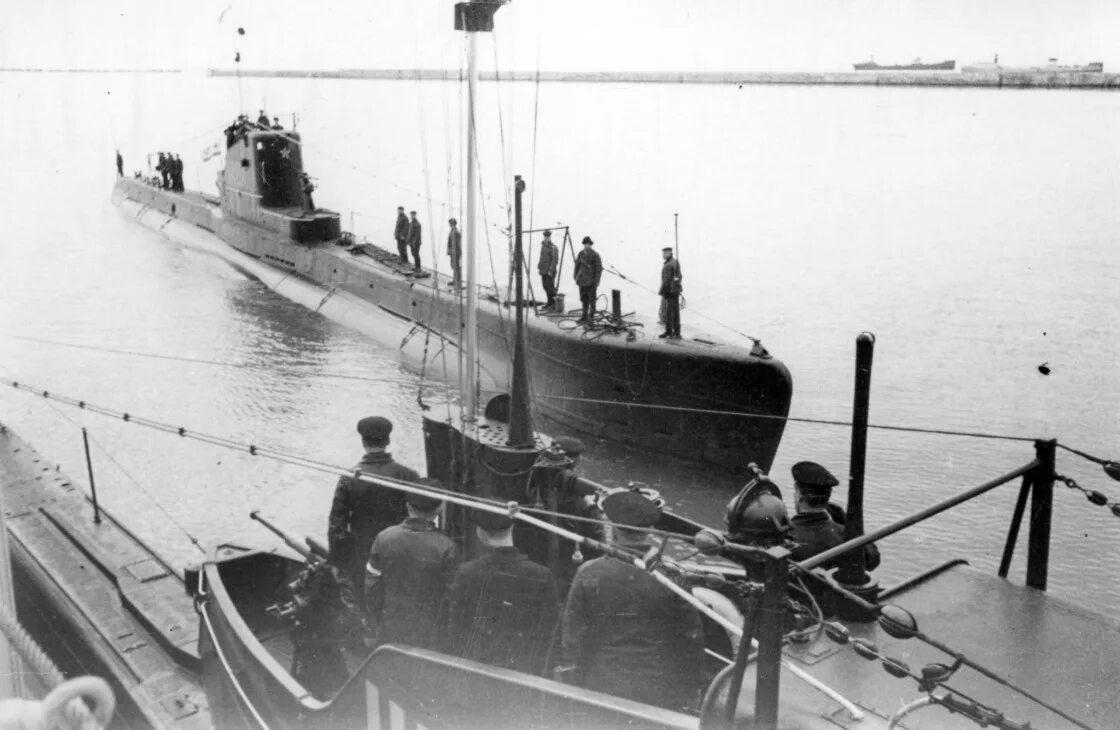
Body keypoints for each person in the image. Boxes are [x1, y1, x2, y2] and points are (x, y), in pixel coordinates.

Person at [558, 491, 707, 712]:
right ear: (650, 530)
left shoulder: (588, 573)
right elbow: (691, 639)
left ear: (614, 528)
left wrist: (574, 683)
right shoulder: (671, 576)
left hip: (601, 685)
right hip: (659, 690)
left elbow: (572, 639)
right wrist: (692, 690)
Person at [446, 509, 560, 675]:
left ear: (480, 533)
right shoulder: (542, 575)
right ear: (512, 527)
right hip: (526, 673)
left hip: (477, 671)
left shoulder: (467, 573)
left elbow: (456, 630)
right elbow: (550, 634)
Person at [327, 416, 419, 608]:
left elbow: (337, 524)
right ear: (388, 441)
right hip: (401, 550)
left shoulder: (349, 477)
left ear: (363, 442)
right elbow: (420, 512)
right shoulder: (409, 475)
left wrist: (338, 561)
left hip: (363, 553)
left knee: (365, 600)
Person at [368, 488, 458, 649]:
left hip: (391, 625)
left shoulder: (384, 537)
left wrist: (373, 625)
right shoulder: (447, 547)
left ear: (408, 505)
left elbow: (372, 587)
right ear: (439, 509)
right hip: (429, 632)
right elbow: (451, 597)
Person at [787, 461, 880, 571]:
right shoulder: (845, 534)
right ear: (828, 497)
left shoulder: (785, 537)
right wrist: (848, 523)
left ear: (799, 494)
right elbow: (873, 560)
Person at [572, 236, 602, 323]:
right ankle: (584, 316)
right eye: (585, 244)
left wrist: (596, 282)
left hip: (591, 282)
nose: (586, 246)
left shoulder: (595, 255)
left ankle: (591, 318)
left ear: (590, 245)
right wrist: (575, 276)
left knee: (592, 300)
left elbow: (598, 270)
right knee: (584, 299)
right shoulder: (580, 254)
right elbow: (577, 266)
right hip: (582, 281)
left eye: (588, 244)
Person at [658, 247, 682, 339]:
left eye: (665, 253)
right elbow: (679, 276)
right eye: (663, 253)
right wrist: (677, 284)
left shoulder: (669, 264)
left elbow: (666, 281)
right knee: (675, 313)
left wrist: (662, 292)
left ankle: (669, 332)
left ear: (670, 253)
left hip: (670, 291)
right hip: (675, 291)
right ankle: (676, 333)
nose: (663, 255)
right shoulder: (675, 262)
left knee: (670, 313)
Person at [537, 230, 558, 310]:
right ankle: (549, 303)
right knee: (545, 287)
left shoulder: (553, 247)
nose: (546, 238)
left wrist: (550, 270)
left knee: (550, 288)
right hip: (543, 270)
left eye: (548, 237)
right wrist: (539, 266)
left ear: (550, 237)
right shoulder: (543, 246)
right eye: (545, 237)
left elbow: (554, 260)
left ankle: (554, 303)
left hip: (550, 271)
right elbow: (542, 257)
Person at [447, 218, 462, 289]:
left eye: (450, 223)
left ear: (453, 224)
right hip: (452, 252)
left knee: (456, 267)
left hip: (455, 252)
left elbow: (457, 244)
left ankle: (458, 282)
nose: (449, 225)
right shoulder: (452, 231)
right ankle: (455, 280)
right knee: (454, 266)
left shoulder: (456, 232)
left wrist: (457, 252)